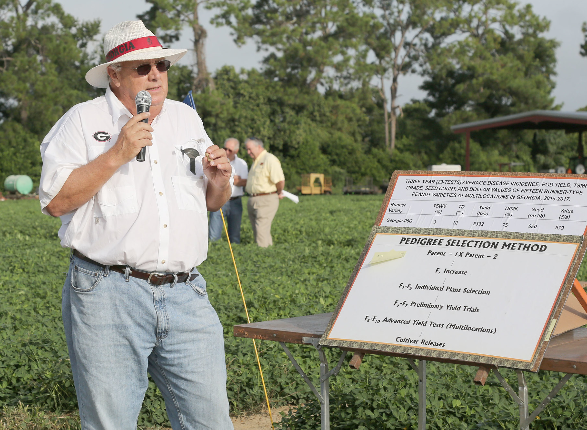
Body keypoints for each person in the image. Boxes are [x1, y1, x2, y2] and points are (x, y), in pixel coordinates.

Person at [39, 20, 234, 430]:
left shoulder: (186, 119)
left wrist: (219, 181)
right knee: (111, 423)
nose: (155, 75)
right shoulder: (80, 121)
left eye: (160, 65)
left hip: (187, 294)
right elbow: (56, 202)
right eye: (141, 67)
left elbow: (212, 202)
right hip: (108, 293)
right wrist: (117, 153)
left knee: (211, 420)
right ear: (114, 74)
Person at [244, 137, 285, 247]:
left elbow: (280, 180)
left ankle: (262, 256)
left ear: (258, 147)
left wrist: (279, 191)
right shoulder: (256, 161)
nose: (248, 152)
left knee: (261, 228)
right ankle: (268, 252)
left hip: (266, 199)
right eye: (247, 150)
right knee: (260, 230)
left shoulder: (269, 159)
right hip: (253, 198)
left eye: (249, 149)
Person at [208, 138, 248, 243]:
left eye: (230, 150)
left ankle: (235, 253)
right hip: (219, 199)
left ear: (236, 151)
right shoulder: (217, 161)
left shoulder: (242, 163)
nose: (227, 151)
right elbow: (213, 178)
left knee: (234, 235)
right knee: (213, 235)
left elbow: (244, 182)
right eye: (225, 148)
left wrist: (226, 178)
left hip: (235, 201)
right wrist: (234, 178)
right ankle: (214, 253)